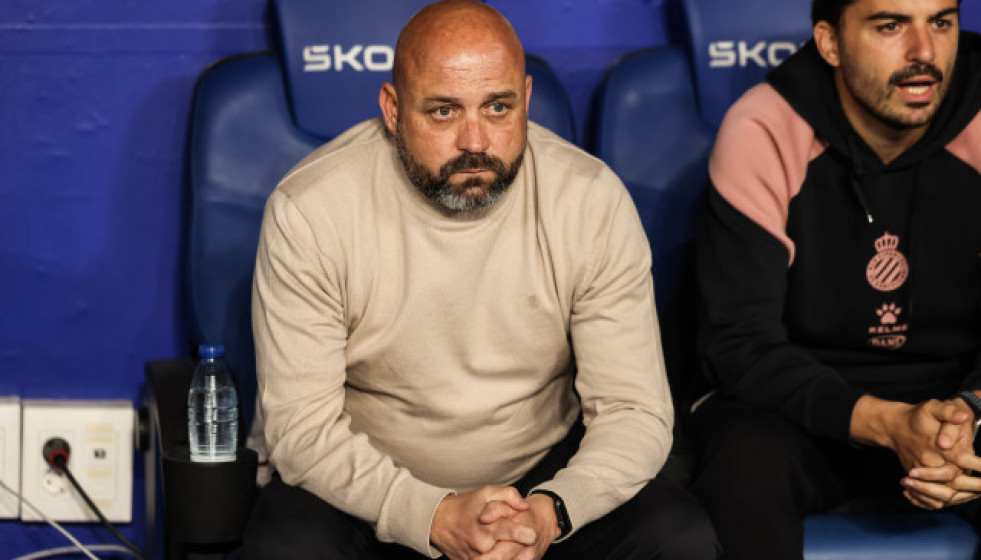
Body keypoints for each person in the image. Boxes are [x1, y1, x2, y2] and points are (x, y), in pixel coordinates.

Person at [238, 1, 718, 559]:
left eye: (498, 108)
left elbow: (633, 410)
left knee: (677, 537)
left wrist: (550, 513)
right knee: (288, 547)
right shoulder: (312, 209)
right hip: (369, 490)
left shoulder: (590, 200)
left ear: (526, 100)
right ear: (393, 109)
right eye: (443, 111)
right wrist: (434, 516)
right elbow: (302, 429)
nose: (475, 140)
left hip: (540, 485)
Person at [690, 0, 981, 557]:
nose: (924, 52)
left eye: (941, 22)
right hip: (801, 409)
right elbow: (738, 341)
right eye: (890, 25)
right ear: (829, 42)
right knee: (741, 473)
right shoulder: (765, 126)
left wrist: (970, 413)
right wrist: (887, 423)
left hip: (958, 403)